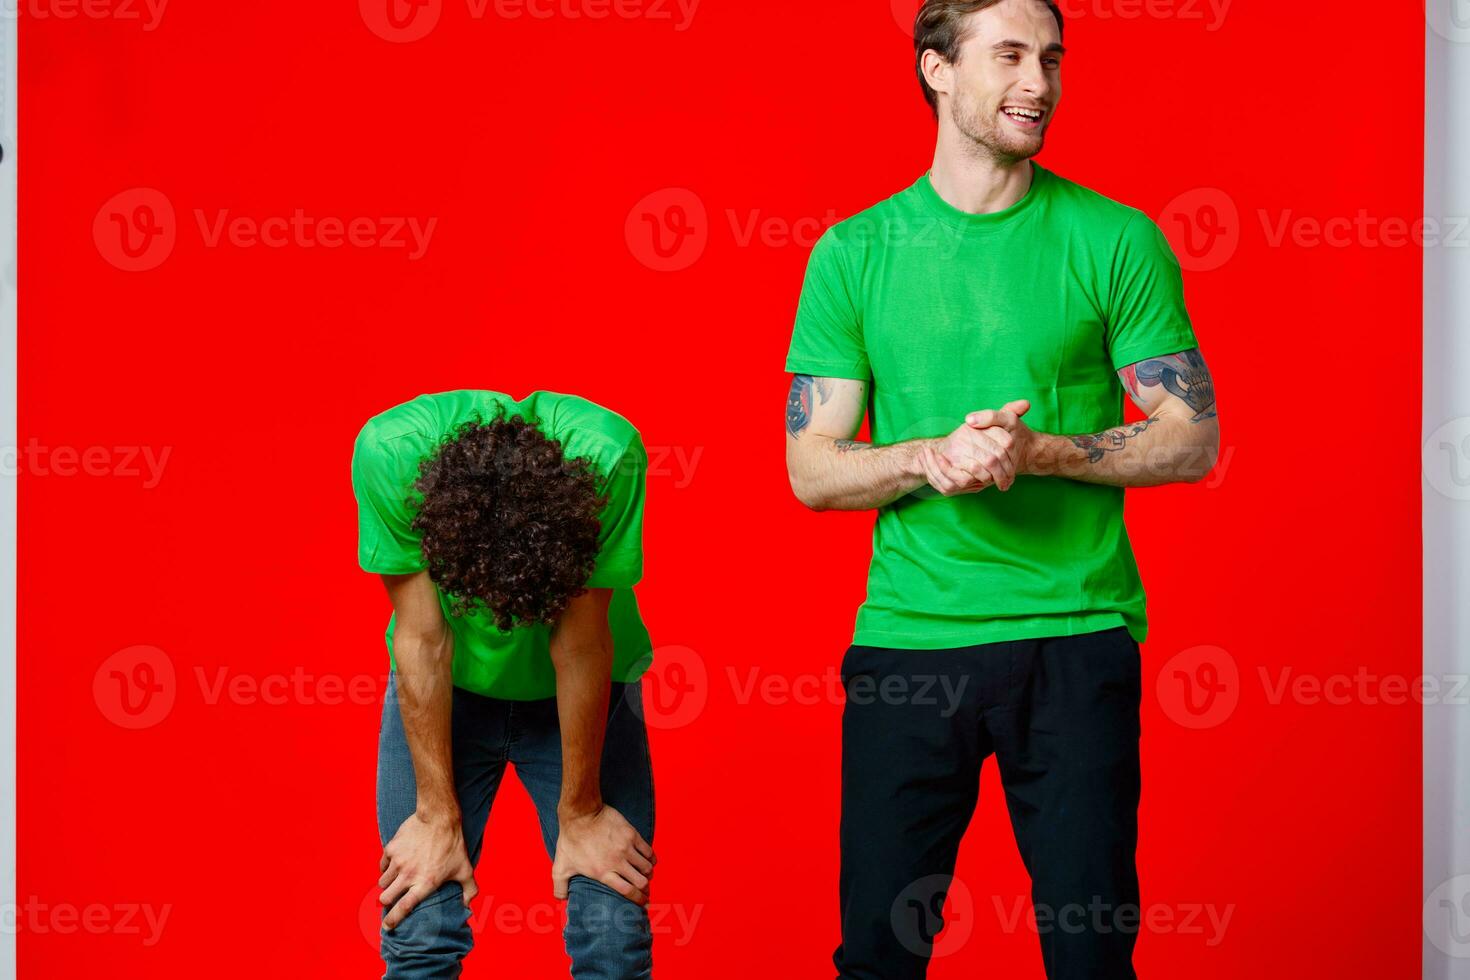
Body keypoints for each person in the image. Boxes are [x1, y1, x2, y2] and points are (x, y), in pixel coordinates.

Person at [783, 1, 1221, 977]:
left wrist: (1041, 451)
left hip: (1075, 639)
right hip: (911, 642)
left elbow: (1191, 439)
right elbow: (810, 466)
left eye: (1053, 59)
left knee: (1092, 953)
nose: (1040, 83)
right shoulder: (855, 254)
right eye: (1012, 56)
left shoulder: (1117, 239)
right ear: (937, 70)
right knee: (878, 958)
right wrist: (926, 456)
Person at [352, 390, 657, 979]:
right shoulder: (390, 455)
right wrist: (437, 818)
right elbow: (423, 640)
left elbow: (580, 645)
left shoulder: (608, 457)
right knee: (420, 923)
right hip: (447, 690)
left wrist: (584, 812)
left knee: (613, 934)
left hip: (583, 685)